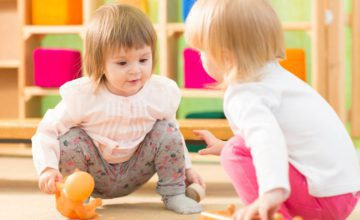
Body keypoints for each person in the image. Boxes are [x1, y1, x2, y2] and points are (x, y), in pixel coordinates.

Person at [184, 0, 360, 219]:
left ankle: (268, 212)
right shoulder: (277, 79)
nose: (200, 57)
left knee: (234, 153)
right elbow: (282, 139)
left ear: (225, 57)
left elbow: (267, 141)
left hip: (322, 199)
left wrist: (271, 191)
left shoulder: (246, 92)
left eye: (202, 51)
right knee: (234, 148)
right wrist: (225, 145)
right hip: (342, 193)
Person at [32, 3, 204, 215]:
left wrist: (186, 168)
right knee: (68, 138)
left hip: (136, 170)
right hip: (91, 176)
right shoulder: (84, 96)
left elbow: (172, 136)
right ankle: (77, 198)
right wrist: (47, 168)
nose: (135, 71)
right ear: (100, 64)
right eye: (122, 63)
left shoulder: (160, 93)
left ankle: (174, 194)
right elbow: (46, 131)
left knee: (167, 130)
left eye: (143, 60)